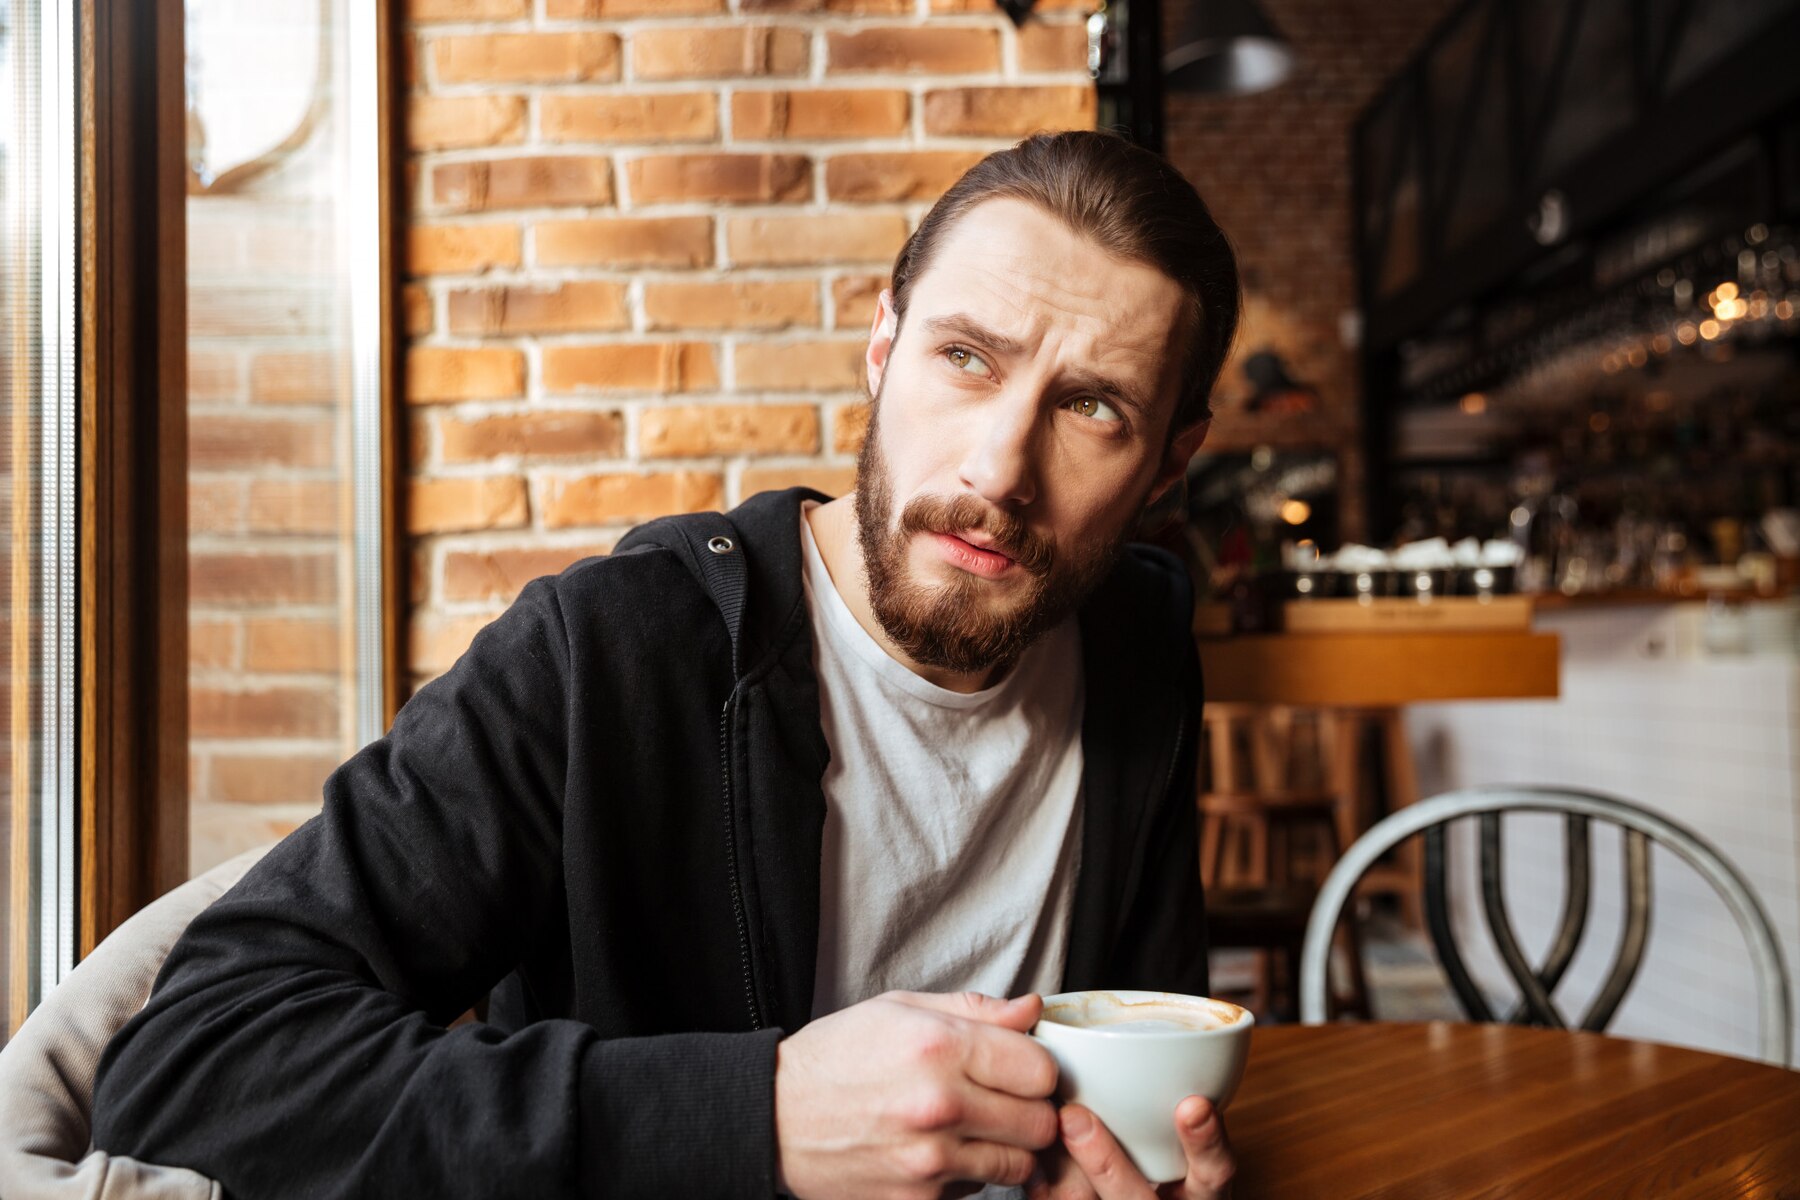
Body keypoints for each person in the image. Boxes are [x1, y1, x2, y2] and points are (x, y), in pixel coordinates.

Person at [92, 129, 1241, 1200]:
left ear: (1168, 463)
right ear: (882, 349)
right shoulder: (605, 653)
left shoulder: (1136, 642)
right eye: (964, 357)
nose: (999, 468)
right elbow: (194, 1063)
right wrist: (757, 1114)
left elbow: (1135, 1061)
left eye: (1092, 407)